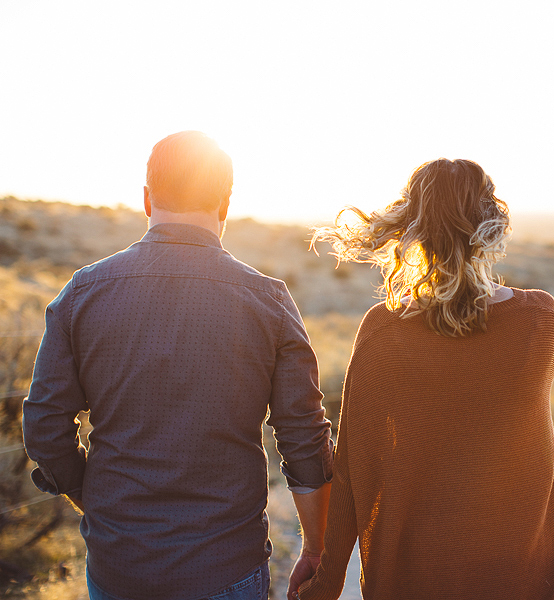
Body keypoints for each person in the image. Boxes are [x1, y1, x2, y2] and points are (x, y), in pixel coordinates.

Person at [22, 131, 334, 600]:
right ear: (225, 205)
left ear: (147, 199)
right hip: (228, 566)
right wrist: (316, 549)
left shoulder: (82, 294)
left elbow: (44, 426)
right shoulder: (268, 301)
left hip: (117, 566)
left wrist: (95, 500)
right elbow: (304, 439)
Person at [291, 158, 554, 600]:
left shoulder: (383, 329)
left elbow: (350, 468)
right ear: (491, 223)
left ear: (410, 225)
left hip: (409, 579)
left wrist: (324, 583)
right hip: (520, 580)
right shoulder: (539, 319)